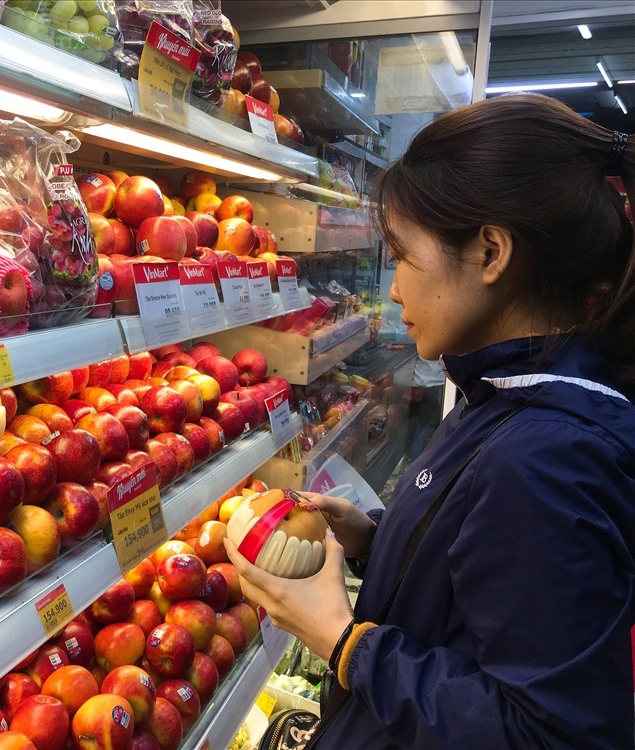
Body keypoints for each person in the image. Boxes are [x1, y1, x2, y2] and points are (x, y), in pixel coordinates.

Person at [225, 93, 635, 749]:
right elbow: (487, 578)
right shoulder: (509, 394)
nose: (393, 288)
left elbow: (551, 735)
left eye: (402, 253)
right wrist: (376, 538)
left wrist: (343, 641)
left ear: (491, 253)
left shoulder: (546, 457)